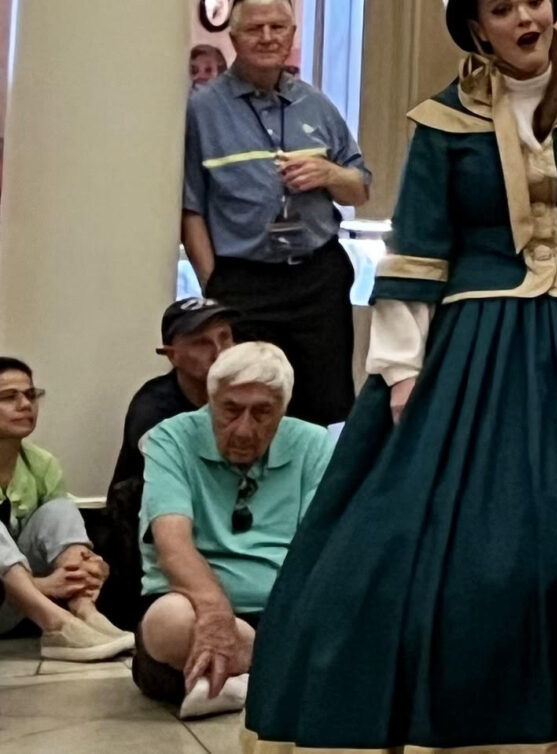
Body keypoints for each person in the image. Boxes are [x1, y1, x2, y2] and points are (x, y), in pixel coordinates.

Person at [245, 0, 557, 754]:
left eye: (534, 1)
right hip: (480, 338)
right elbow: (419, 246)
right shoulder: (444, 121)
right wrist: (401, 369)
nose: (526, 18)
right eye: (503, 8)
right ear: (480, 29)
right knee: (458, 536)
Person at [181, 0, 370, 426]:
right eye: (254, 29)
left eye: (278, 27)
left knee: (325, 410)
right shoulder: (201, 111)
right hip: (244, 282)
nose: (267, 37)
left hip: (318, 278)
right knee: (251, 406)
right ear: (233, 37)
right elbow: (190, 209)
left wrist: (329, 174)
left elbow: (360, 188)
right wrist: (215, 285)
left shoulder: (316, 104)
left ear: (292, 33)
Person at [135, 340, 331, 719]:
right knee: (169, 622)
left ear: (283, 410)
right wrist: (216, 614)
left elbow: (318, 549)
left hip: (283, 614)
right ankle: (269, 671)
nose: (243, 429)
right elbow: (172, 547)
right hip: (195, 609)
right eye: (230, 410)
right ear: (210, 402)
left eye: (262, 413)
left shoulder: (314, 443)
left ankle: (240, 677)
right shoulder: (170, 438)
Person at [97, 297, 236, 627]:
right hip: (151, 539)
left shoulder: (246, 397)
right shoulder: (154, 406)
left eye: (225, 337)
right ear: (171, 354)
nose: (220, 352)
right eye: (202, 343)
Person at [0, 354, 131, 661]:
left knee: (60, 509)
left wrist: (89, 568)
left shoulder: (41, 464)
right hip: (23, 599)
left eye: (30, 395)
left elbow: (60, 527)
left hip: (14, 608)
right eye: (9, 397)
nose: (25, 405)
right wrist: (44, 585)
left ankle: (86, 614)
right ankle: (57, 625)